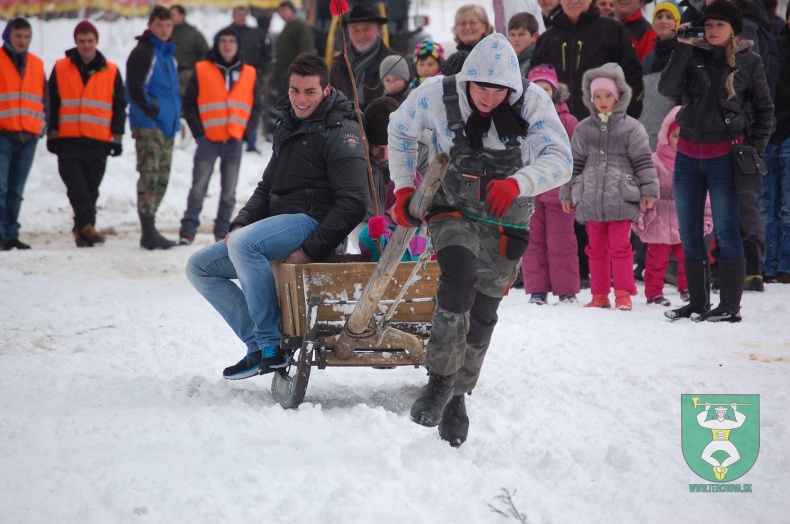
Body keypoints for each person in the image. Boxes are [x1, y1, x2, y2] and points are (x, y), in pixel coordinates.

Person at [388, 33, 573, 446]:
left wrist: (519, 182)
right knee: (457, 282)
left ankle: (458, 391)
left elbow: (562, 160)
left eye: (499, 89)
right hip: (451, 204)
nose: (489, 97)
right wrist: (403, 187)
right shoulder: (436, 94)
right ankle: (439, 382)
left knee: (485, 309)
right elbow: (399, 129)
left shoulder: (532, 103)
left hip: (508, 218)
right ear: (467, 78)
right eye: (481, 87)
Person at [186, 53, 368, 379]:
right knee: (200, 267)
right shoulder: (289, 125)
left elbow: (353, 203)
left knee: (243, 245)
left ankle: (274, 346)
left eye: (309, 91)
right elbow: (267, 186)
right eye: (295, 90)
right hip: (279, 225)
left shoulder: (340, 131)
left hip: (312, 222)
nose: (300, 99)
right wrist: (241, 222)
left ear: (326, 90)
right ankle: (257, 345)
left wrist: (310, 250)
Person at [659, 0, 774, 322]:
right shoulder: (691, 54)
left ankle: (729, 307)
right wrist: (681, 49)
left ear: (733, 30)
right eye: (708, 25)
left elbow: (765, 112)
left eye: (719, 26)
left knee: (725, 230)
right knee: (690, 231)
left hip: (725, 156)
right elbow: (666, 87)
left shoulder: (749, 61)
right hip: (687, 156)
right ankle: (697, 302)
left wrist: (753, 151)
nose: (712, 31)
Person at [528, 0, 645, 290]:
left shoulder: (611, 30)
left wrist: (622, 121)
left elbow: (632, 78)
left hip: (602, 133)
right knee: (566, 204)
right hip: (558, 135)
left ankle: (612, 274)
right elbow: (530, 88)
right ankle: (576, 271)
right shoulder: (548, 37)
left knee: (601, 202)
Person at [560, 63, 658, 310]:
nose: (602, 101)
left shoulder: (632, 127)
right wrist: (568, 192)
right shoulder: (583, 129)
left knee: (620, 246)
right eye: (597, 96)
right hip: (592, 198)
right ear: (590, 98)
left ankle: (623, 292)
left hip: (621, 196)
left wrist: (648, 191)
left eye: (608, 95)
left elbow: (643, 161)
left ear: (619, 96)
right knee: (595, 249)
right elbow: (575, 163)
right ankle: (599, 294)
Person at [179, 28, 263, 246]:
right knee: (199, 188)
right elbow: (189, 104)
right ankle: (188, 230)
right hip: (208, 139)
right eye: (223, 41)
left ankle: (221, 231)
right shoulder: (202, 69)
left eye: (231, 41)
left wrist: (246, 132)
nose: (227, 45)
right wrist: (198, 132)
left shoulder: (250, 73)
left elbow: (256, 106)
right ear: (217, 44)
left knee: (229, 192)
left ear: (237, 45)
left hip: (234, 140)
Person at [47, 21, 126, 248]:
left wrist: (117, 137)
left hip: (98, 141)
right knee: (77, 189)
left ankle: (82, 232)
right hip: (68, 140)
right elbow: (52, 102)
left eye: (90, 41)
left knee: (91, 189)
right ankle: (86, 227)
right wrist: (51, 134)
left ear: (96, 42)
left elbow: (119, 105)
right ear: (76, 42)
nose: (86, 46)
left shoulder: (111, 70)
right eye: (81, 41)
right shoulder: (61, 67)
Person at [633, 107, 714, 305]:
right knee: (656, 261)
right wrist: (640, 215)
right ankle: (654, 293)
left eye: (685, 136)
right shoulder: (654, 161)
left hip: (684, 221)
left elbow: (705, 195)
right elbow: (643, 188)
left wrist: (706, 219)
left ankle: (687, 288)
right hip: (658, 220)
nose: (680, 140)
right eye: (676, 135)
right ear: (666, 136)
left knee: (688, 257)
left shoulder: (696, 163)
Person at [522, 64, 580, 305]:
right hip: (531, 193)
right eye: (537, 88)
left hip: (559, 192)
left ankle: (566, 290)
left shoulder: (567, 121)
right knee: (533, 244)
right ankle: (537, 290)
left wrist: (572, 189)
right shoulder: (522, 119)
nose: (542, 92)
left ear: (555, 92)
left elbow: (575, 158)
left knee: (562, 243)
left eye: (547, 88)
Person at [126, 5, 182, 250]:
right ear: (150, 25)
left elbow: (171, 93)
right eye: (159, 25)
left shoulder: (169, 55)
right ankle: (148, 231)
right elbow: (135, 90)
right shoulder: (144, 52)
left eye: (168, 25)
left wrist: (175, 119)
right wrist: (149, 118)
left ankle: (151, 227)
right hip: (150, 126)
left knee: (162, 178)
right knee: (149, 177)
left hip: (166, 127)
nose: (163, 29)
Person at [0, 18, 45, 251]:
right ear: (8, 36)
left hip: (27, 136)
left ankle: (10, 234)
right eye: (18, 36)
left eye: (27, 37)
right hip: (3, 134)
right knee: (1, 187)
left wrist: (42, 126)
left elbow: (44, 99)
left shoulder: (36, 64)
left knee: (16, 190)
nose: (22, 41)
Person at [759, 3, 790, 284]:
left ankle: (786, 264)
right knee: (765, 204)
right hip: (769, 130)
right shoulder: (774, 45)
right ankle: (766, 264)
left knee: (788, 205)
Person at [328, 4, 399, 111]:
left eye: (366, 29)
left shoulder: (396, 63)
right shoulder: (338, 65)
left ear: (378, 30)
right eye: (355, 30)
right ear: (348, 33)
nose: (361, 36)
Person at [224, 6, 270, 153]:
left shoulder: (256, 33)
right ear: (233, 16)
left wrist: (260, 70)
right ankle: (229, 136)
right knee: (229, 108)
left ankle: (251, 141)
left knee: (252, 108)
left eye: (244, 15)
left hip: (252, 77)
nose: (241, 17)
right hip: (230, 77)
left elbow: (266, 54)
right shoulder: (226, 34)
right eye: (238, 14)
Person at [359, 176, 430, 262]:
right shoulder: (383, 228)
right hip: (387, 274)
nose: (408, 212)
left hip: (418, 275)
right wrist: (373, 236)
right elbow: (367, 252)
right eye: (404, 206)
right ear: (388, 209)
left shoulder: (423, 230)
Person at [271, 1, 314, 103]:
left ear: (292, 11)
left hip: (293, 75)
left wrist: (293, 70)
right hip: (283, 74)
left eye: (285, 10)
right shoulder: (288, 26)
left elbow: (306, 51)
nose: (282, 13)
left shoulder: (300, 25)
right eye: (280, 11)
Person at [170, 4, 210, 98]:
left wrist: (195, 69)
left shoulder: (194, 34)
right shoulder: (166, 34)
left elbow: (205, 53)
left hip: (188, 73)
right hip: (169, 73)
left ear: (182, 15)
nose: (171, 17)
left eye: (173, 14)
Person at [442, 5, 495, 76]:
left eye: (473, 22)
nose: (467, 27)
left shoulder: (494, 53)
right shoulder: (455, 57)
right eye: (462, 23)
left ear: (484, 26)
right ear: (456, 28)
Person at [507, 12, 540, 76]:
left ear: (535, 37)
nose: (516, 39)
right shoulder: (508, 60)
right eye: (512, 34)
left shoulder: (537, 61)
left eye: (521, 34)